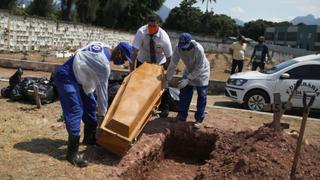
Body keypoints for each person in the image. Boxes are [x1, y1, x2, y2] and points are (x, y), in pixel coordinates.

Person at [54, 42, 111, 167]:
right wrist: (103, 115)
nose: (122, 61)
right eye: (123, 58)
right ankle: (72, 153)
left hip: (80, 78)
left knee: (90, 104)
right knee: (76, 110)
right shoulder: (104, 65)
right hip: (66, 76)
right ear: (119, 53)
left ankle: (89, 138)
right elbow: (103, 93)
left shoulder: (104, 46)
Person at [165, 33, 210, 129]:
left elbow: (200, 67)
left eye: (185, 47)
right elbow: (173, 64)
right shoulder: (178, 48)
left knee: (202, 95)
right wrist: (167, 78)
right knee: (185, 93)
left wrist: (188, 79)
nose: (183, 49)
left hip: (202, 72)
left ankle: (199, 119)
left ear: (190, 43)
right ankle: (181, 115)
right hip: (189, 69)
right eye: (182, 47)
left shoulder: (198, 49)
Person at [131, 14, 173, 117]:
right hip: (143, 60)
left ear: (158, 25)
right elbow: (134, 52)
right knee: (140, 84)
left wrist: (165, 70)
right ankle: (139, 106)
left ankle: (165, 107)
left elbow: (169, 57)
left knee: (162, 84)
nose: (151, 28)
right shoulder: (141, 32)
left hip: (159, 62)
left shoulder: (164, 37)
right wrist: (132, 70)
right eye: (149, 26)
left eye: (154, 26)